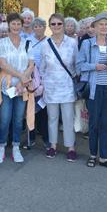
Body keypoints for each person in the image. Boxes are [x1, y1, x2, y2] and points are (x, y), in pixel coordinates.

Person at [76, 12, 107, 170]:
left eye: (106, 25)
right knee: (94, 124)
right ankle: (93, 155)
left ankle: (105, 157)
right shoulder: (87, 44)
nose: (103, 27)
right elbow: (79, 66)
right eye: (100, 24)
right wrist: (94, 66)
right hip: (93, 88)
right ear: (94, 27)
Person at [0, 13, 34, 164]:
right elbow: (3, 64)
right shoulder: (2, 43)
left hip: (22, 87)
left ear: (22, 25)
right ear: (9, 25)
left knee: (18, 119)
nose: (16, 27)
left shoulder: (27, 42)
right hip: (7, 85)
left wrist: (22, 81)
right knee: (4, 118)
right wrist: (20, 76)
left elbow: (31, 64)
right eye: (13, 24)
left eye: (18, 24)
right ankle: (1, 147)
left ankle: (16, 147)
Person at [41, 13, 78, 161]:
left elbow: (76, 64)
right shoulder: (45, 44)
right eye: (53, 24)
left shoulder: (72, 43)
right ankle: (53, 145)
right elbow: (42, 67)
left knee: (68, 118)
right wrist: (44, 83)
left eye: (59, 24)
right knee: (52, 117)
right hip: (50, 86)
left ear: (63, 25)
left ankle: (71, 147)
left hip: (67, 86)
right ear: (49, 26)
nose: (56, 26)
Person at [26, 17, 49, 148]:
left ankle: (46, 138)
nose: (38, 28)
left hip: (45, 78)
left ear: (45, 27)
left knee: (43, 111)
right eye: (36, 26)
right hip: (32, 77)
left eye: (41, 26)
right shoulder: (28, 41)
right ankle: (31, 137)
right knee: (31, 109)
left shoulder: (49, 41)